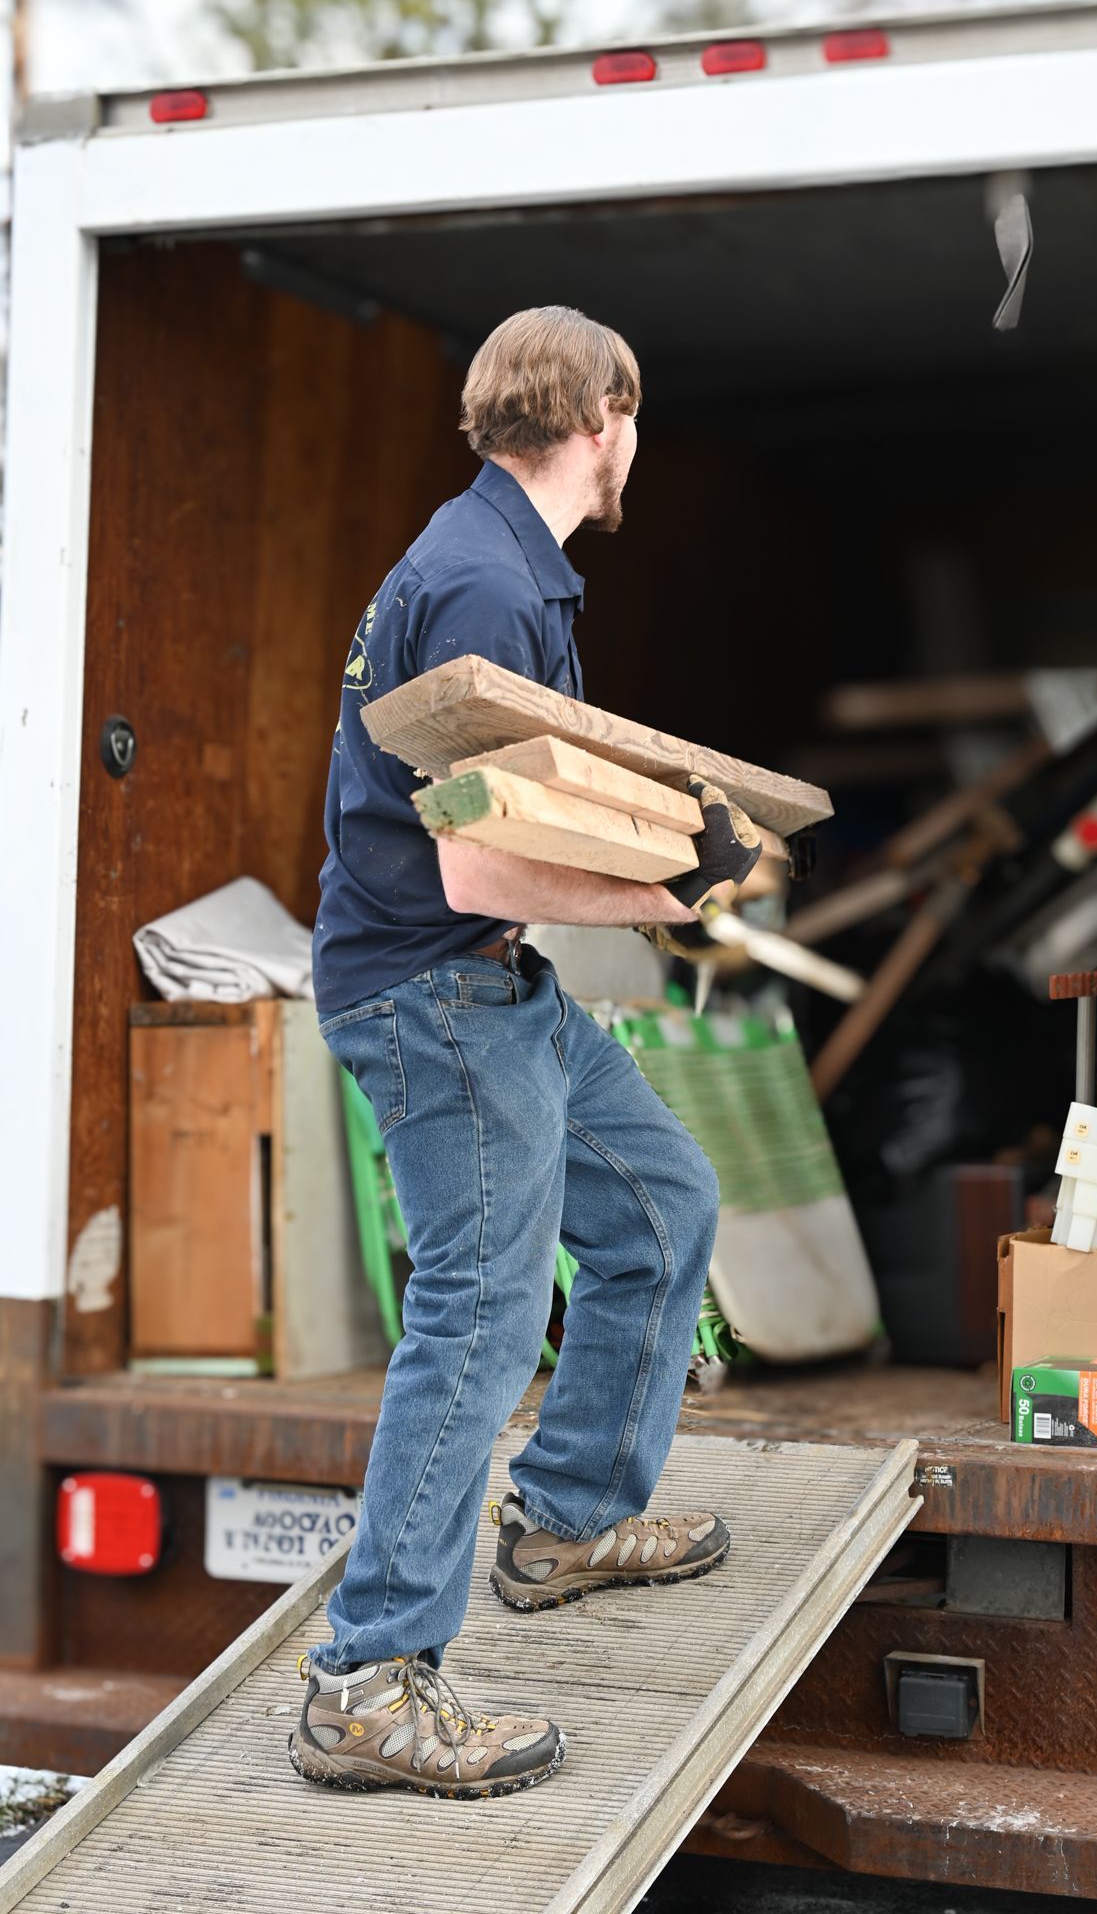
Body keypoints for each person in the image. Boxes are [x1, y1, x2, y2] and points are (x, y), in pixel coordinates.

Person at [290, 305, 761, 1799]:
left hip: (489, 986)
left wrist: (670, 825)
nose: (637, 449)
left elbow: (518, 822)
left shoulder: (498, 563)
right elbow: (473, 874)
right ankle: (365, 1682)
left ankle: (560, 1523)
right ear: (606, 414)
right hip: (433, 993)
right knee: (482, 1321)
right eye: (636, 423)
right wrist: (670, 891)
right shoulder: (487, 585)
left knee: (660, 1205)